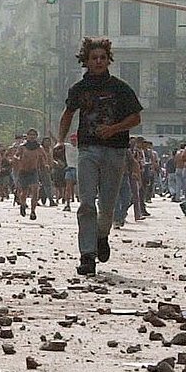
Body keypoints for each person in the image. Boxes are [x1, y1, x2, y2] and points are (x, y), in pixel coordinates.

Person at [57, 37, 142, 275]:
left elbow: (136, 118)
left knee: (107, 205)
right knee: (86, 203)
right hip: (88, 149)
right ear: (86, 60)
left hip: (115, 150)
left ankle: (102, 236)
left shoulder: (120, 88)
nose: (98, 61)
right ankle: (87, 255)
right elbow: (68, 114)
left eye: (102, 58)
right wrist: (60, 140)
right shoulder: (79, 89)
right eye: (94, 58)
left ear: (108, 60)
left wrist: (114, 128)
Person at [11, 128, 48, 220]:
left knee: (35, 190)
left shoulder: (39, 148)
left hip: (33, 171)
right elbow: (16, 155)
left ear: (36, 137)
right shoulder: (22, 147)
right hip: (23, 171)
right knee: (24, 192)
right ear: (27, 136)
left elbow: (44, 156)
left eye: (34, 135)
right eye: (30, 135)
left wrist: (45, 164)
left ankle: (33, 211)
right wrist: (16, 159)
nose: (32, 136)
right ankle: (23, 204)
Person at [62, 134, 79, 211]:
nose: (73, 142)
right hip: (69, 168)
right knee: (68, 188)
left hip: (78, 168)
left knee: (81, 187)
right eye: (72, 140)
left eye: (74, 140)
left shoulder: (80, 148)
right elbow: (58, 142)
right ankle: (67, 204)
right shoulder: (67, 146)